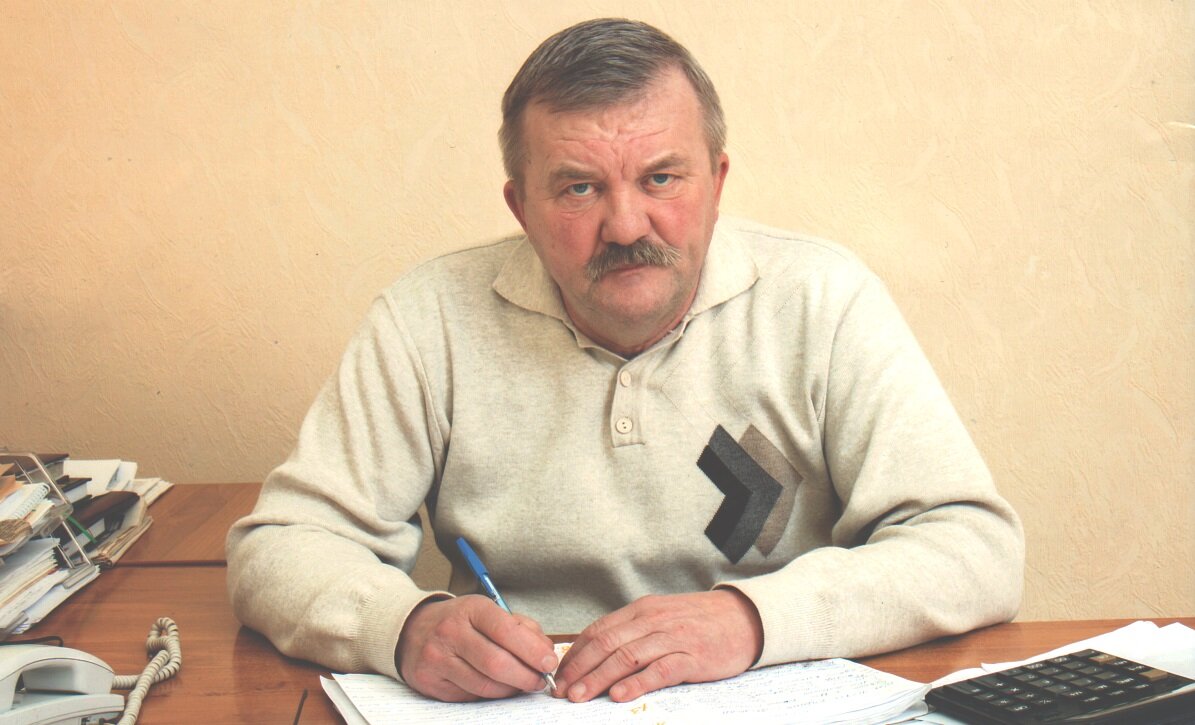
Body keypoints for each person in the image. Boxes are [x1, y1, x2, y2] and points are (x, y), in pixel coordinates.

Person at [227, 17, 1024, 705]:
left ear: (716, 181)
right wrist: (402, 625)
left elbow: (972, 548)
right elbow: (280, 547)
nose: (625, 225)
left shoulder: (823, 300)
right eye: (578, 189)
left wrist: (752, 618)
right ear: (520, 205)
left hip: (771, 693)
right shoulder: (425, 319)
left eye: (660, 178)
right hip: (523, 706)